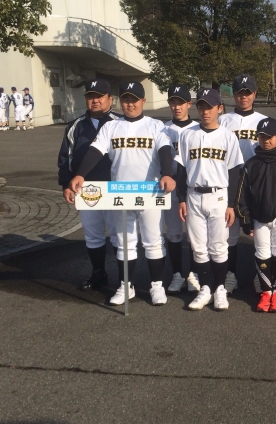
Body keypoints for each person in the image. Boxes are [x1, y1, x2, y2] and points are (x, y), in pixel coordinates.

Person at [69, 81, 176, 306]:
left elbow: (165, 150)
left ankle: (157, 286)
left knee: (153, 241)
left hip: (150, 192)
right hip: (121, 193)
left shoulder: (155, 125)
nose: (130, 104)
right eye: (126, 99)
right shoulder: (111, 127)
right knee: (125, 242)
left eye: (134, 99)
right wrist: (80, 174)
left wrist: (167, 173)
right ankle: (126, 286)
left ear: (143, 101)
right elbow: (95, 151)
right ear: (121, 101)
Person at [176, 88, 243, 311]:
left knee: (219, 246)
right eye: (201, 106)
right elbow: (181, 169)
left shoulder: (228, 136)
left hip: (219, 195)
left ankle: (220, 289)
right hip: (193, 195)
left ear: (219, 108)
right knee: (198, 247)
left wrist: (231, 204)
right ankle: (205, 289)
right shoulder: (188, 135)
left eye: (210, 107)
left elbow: (234, 172)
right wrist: (181, 199)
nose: (205, 111)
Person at [58, 79, 120, 290]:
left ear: (109, 99)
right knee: (93, 235)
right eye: (91, 97)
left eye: (99, 96)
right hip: (87, 189)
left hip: (114, 188)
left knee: (118, 235)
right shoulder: (75, 126)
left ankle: (124, 279)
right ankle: (98, 274)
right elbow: (65, 158)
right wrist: (66, 184)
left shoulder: (120, 123)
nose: (95, 101)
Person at [237, 117, 276, 313]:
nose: (266, 141)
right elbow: (242, 195)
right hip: (258, 219)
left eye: (270, 137)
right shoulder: (251, 163)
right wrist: (245, 220)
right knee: (262, 256)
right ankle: (266, 293)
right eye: (262, 137)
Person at [218, 74, 266, 294]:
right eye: (239, 92)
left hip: (256, 183)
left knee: (260, 232)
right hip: (230, 180)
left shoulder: (263, 121)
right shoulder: (223, 120)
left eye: (247, 93)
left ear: (254, 94)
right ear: (233, 94)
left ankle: (259, 275)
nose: (243, 97)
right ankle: (230, 275)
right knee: (230, 231)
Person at [163, 85, 200, 294]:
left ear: (189, 104)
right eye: (173, 102)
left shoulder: (198, 129)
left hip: (191, 189)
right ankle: (177, 274)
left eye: (181, 103)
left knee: (194, 234)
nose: (176, 107)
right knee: (174, 233)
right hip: (170, 188)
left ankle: (194, 273)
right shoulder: (162, 129)